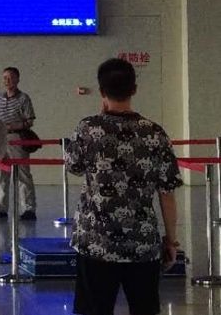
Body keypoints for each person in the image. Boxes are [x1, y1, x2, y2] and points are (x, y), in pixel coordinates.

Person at [64, 58, 182, 315]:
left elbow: (74, 166)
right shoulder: (155, 133)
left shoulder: (88, 128)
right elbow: (167, 192)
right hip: (141, 242)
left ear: (102, 91)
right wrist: (171, 241)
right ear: (134, 89)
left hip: (95, 241)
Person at [0, 66, 37, 220]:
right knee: (1, 175)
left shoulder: (24, 98)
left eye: (11, 77)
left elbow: (29, 120)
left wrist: (12, 126)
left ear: (17, 79)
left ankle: (28, 208)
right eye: (5, 77)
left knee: (23, 174)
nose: (7, 81)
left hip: (16, 138)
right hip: (0, 139)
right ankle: (1, 207)